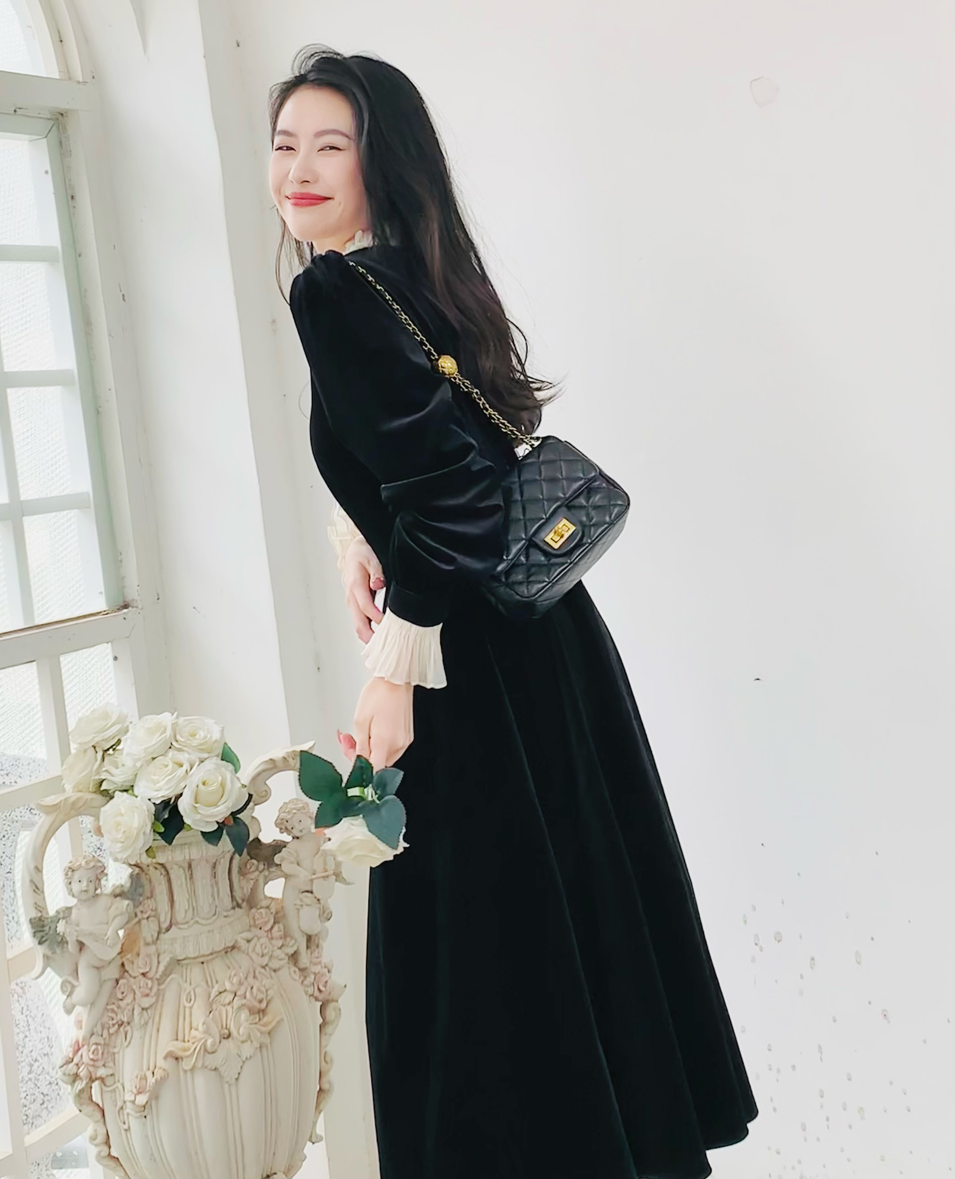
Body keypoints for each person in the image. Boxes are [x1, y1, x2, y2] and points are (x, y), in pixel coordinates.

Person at [269, 45, 758, 1179]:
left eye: (330, 145)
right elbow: (448, 455)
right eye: (285, 145)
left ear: (381, 160)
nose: (298, 171)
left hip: (468, 669)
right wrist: (359, 537)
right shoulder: (420, 274)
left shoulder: (332, 291)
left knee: (476, 975)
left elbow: (445, 491)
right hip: (545, 648)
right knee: (557, 936)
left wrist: (393, 671)